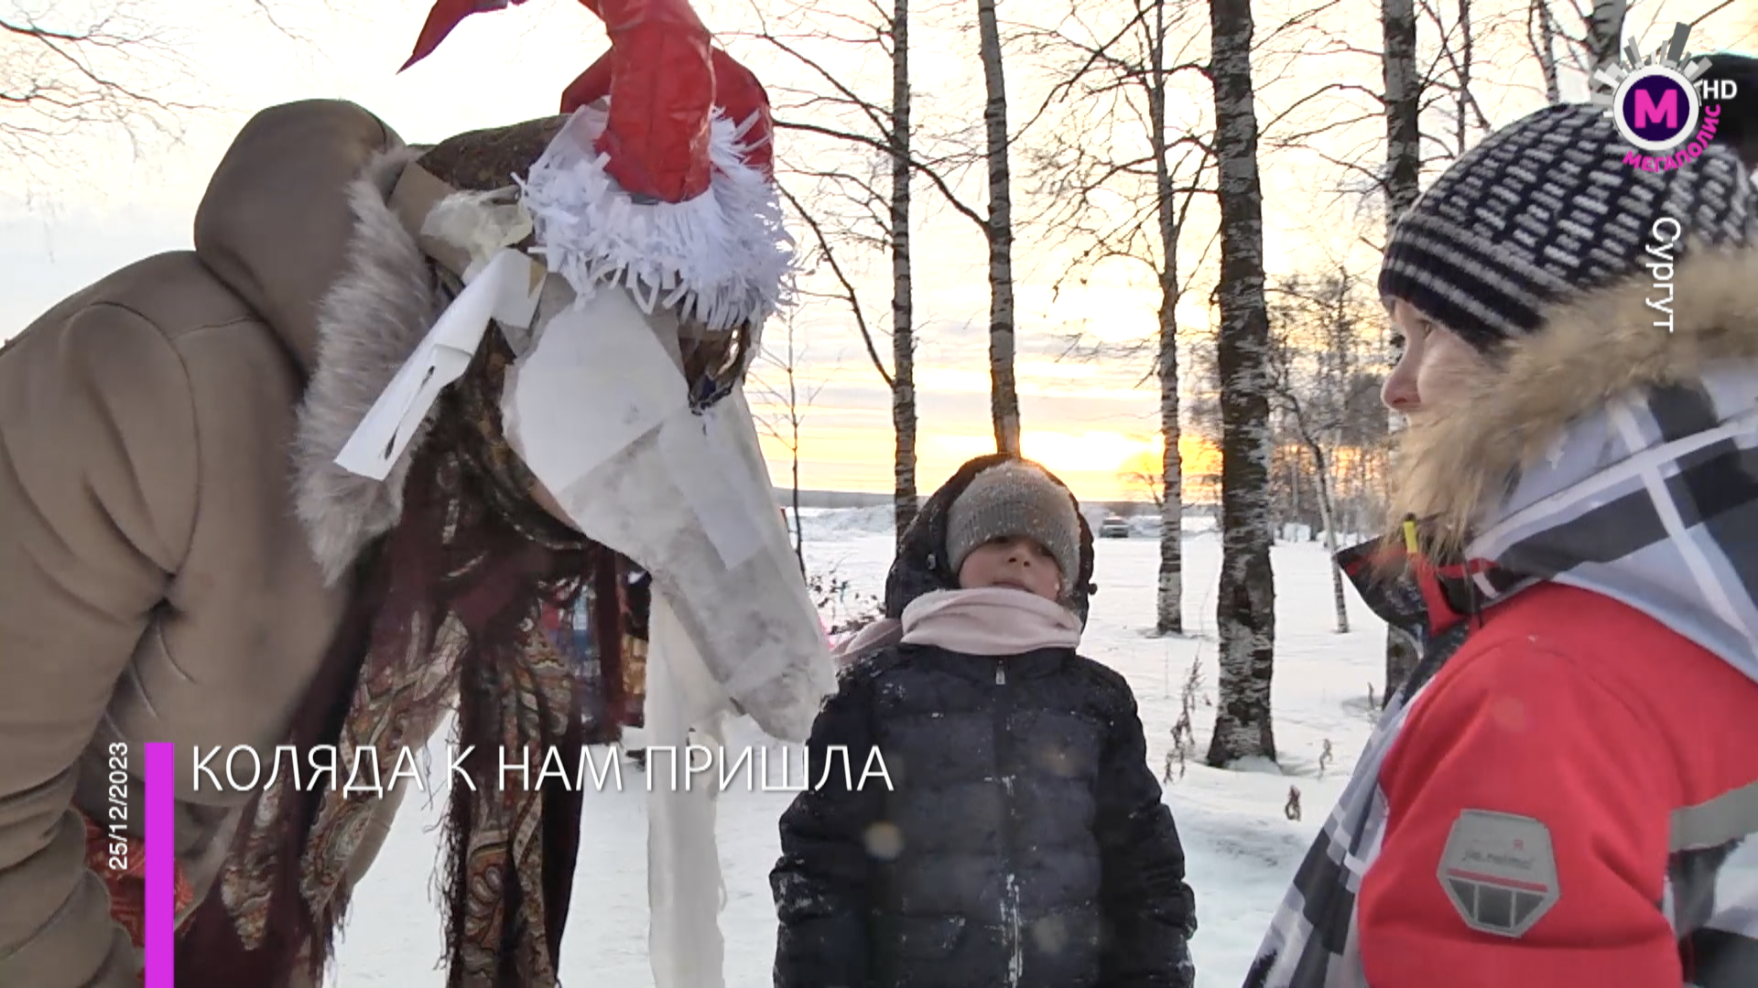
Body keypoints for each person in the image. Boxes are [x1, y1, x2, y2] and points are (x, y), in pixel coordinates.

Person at [0, 0, 830, 984]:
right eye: (626, 391)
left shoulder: (490, 499)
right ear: (494, 318)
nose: (654, 450)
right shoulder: (153, 385)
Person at [1246, 91, 1758, 986]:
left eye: (1429, 331)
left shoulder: (1551, 688)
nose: (1396, 387)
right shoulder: (1706, 614)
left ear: (1555, 351)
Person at [770, 454, 1198, 988]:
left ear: (1065, 580)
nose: (1021, 557)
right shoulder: (874, 692)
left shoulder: (1097, 700)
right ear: (952, 554)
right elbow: (823, 862)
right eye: (999, 539)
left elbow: (1144, 868)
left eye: (1044, 550)